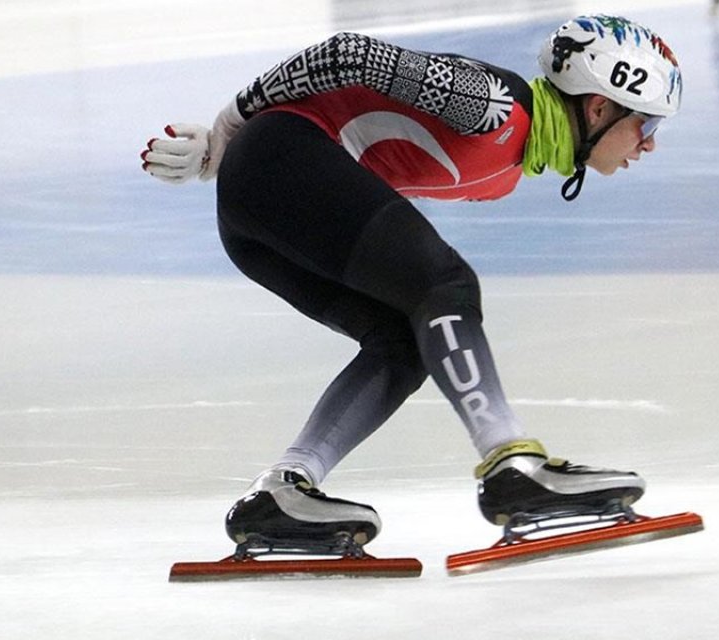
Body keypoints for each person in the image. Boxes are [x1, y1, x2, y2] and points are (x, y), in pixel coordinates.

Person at [140, 15, 682, 553]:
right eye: (648, 125)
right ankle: (511, 463)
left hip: (255, 222)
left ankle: (284, 488)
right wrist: (227, 126)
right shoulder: (492, 104)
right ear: (598, 107)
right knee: (446, 285)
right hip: (276, 160)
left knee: (405, 339)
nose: (650, 145)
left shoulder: (506, 173)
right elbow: (347, 54)